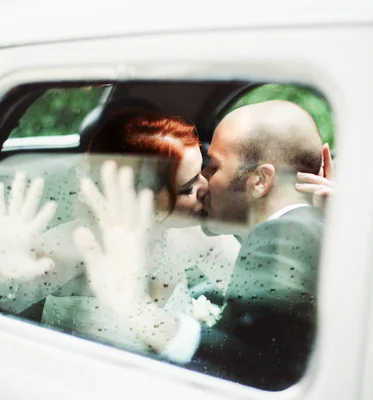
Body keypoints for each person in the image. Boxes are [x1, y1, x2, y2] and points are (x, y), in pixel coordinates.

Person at [74, 100, 327, 390]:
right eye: (189, 183)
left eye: (213, 167)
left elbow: (245, 366)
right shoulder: (302, 229)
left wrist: (136, 308)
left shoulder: (278, 238)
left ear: (260, 180)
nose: (205, 184)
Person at [0, 109, 241, 349]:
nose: (205, 189)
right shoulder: (72, 247)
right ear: (133, 197)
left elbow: (260, 305)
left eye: (202, 171)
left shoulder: (200, 237)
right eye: (187, 188)